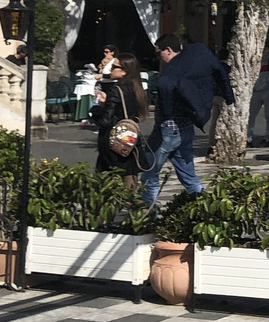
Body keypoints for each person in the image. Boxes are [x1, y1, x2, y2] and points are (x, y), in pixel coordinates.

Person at [145, 34, 231, 206]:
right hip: (187, 128)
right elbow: (218, 71)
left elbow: (167, 100)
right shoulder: (196, 59)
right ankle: (206, 208)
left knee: (149, 174)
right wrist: (228, 96)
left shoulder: (171, 74)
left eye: (158, 53)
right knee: (189, 177)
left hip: (168, 129)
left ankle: (147, 216)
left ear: (168, 50)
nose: (158, 58)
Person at [91, 52, 147, 189]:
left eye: (114, 66)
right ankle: (142, 208)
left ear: (124, 71)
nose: (109, 69)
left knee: (107, 186)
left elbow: (105, 120)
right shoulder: (136, 88)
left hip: (114, 144)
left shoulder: (116, 90)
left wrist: (96, 110)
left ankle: (143, 208)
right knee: (131, 183)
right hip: (130, 141)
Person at [246, 51, 269, 144]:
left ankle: (267, 137)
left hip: (267, 91)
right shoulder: (256, 61)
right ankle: (249, 137)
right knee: (251, 115)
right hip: (256, 91)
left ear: (268, 49)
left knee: (268, 115)